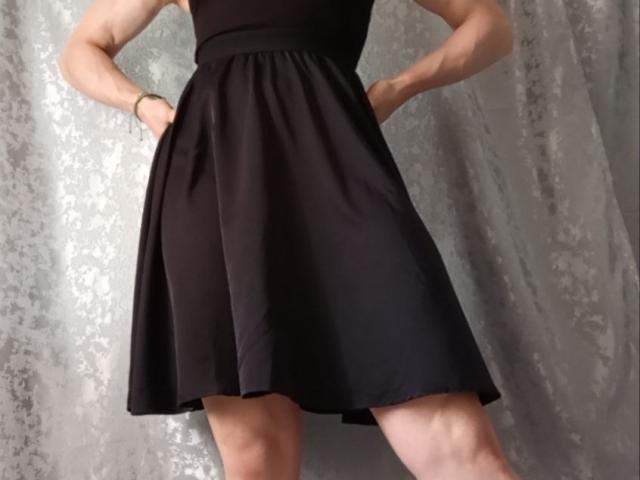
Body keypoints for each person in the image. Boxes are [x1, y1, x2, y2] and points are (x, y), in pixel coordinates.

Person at [59, 0, 520, 479]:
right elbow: (83, 48)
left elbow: (490, 26)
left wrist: (396, 88)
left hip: (342, 173)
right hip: (216, 184)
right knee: (257, 461)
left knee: (463, 453)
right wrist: (143, 104)